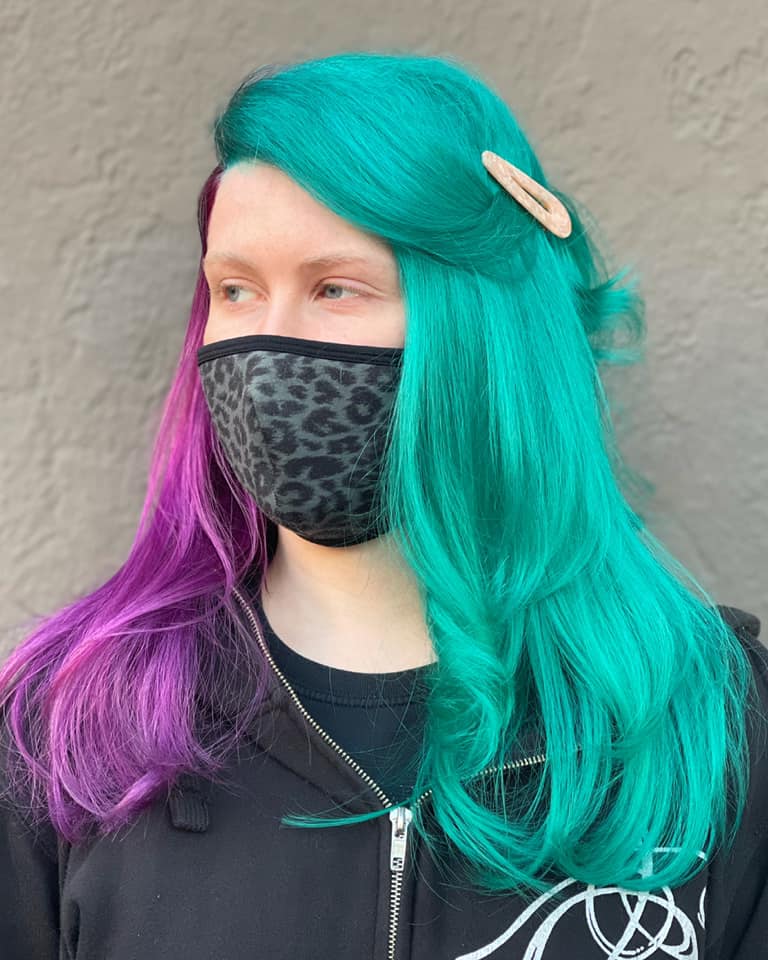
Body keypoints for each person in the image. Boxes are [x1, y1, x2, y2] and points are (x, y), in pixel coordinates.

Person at [1, 50, 765, 960]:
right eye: (235, 289)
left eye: (335, 287)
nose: (268, 345)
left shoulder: (707, 721)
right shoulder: (71, 724)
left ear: (481, 330)